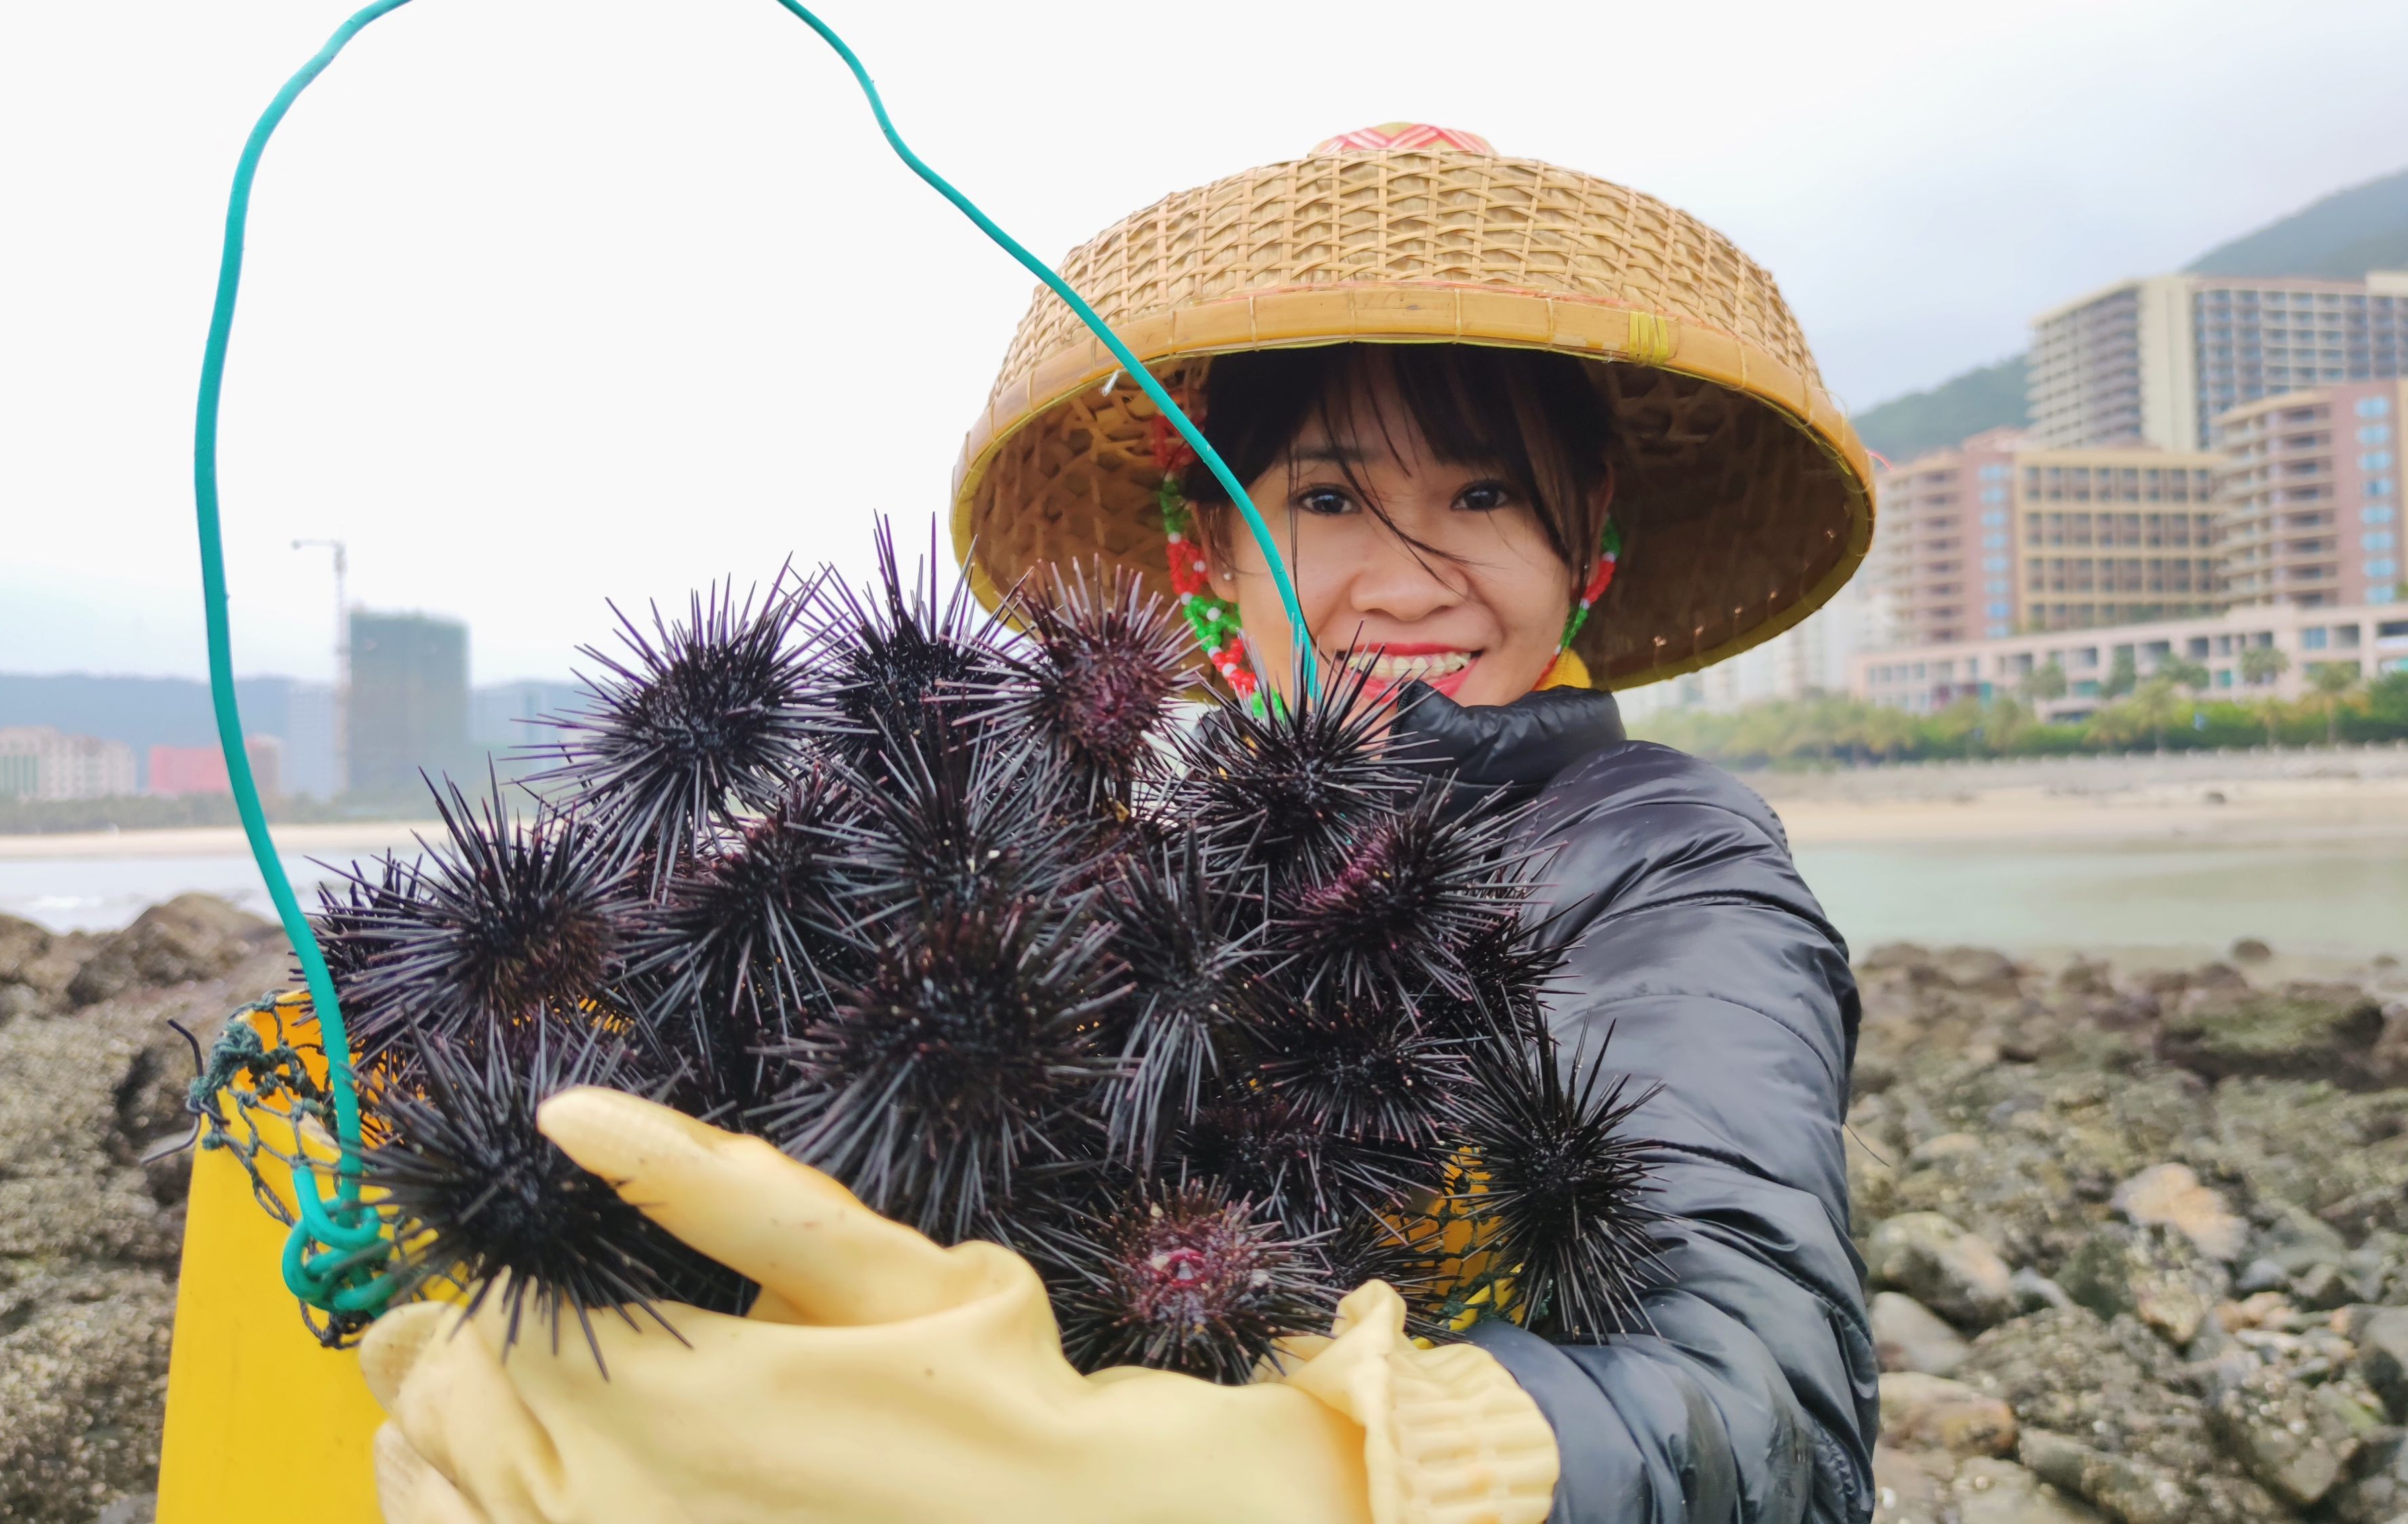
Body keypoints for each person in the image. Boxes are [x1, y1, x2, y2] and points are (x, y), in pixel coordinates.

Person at [363, 122, 1879, 1524]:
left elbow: (1766, 1396)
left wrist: (1333, 1473)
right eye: (1329, 498)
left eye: (1482, 492)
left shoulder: (1667, 852)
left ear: (1588, 534)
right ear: (1209, 543)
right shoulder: (1127, 839)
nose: (1408, 578)